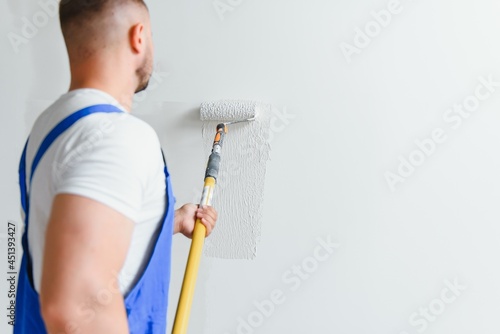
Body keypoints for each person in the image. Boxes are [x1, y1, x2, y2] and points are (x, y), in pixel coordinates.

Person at [13, 1, 218, 333]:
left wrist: (168, 222)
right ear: (139, 37)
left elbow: (70, 245)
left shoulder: (50, 127)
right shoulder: (118, 139)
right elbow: (76, 303)